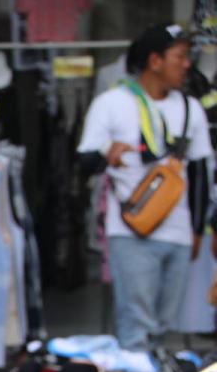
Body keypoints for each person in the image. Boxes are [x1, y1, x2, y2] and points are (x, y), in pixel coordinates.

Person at [77, 24, 211, 354]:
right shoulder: (111, 103)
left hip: (178, 230)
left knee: (163, 324)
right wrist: (105, 154)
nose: (187, 65)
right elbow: (83, 163)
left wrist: (196, 229)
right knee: (135, 322)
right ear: (155, 61)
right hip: (130, 229)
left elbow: (199, 172)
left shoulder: (190, 108)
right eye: (179, 57)